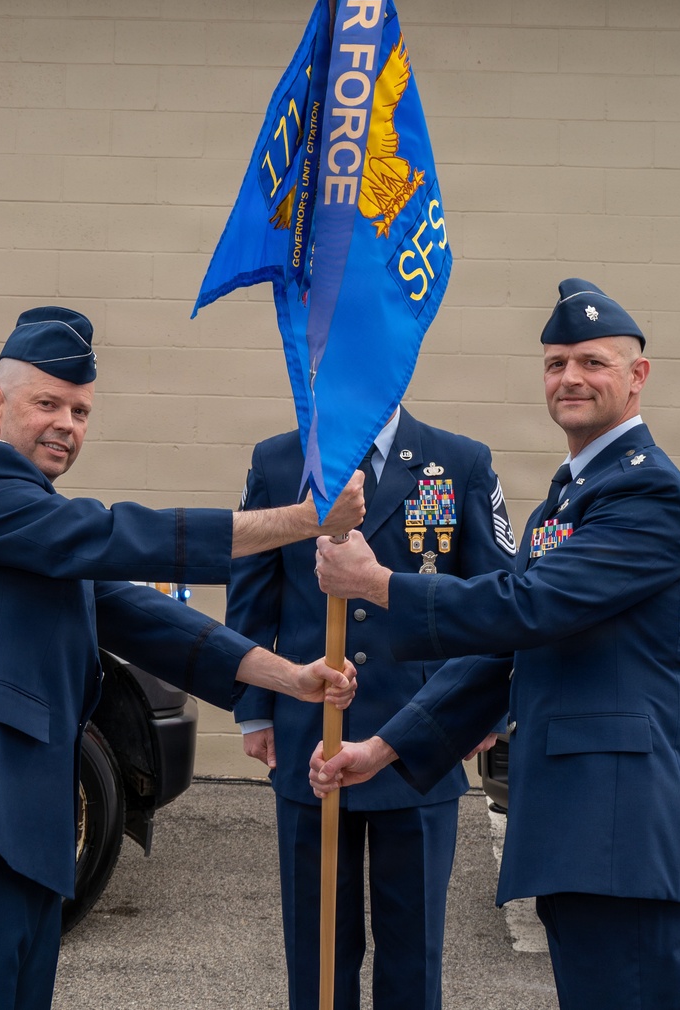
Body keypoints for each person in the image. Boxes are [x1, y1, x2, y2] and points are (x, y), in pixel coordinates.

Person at [0, 306, 364, 1010]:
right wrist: (307, 520)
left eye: (82, 410)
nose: (67, 423)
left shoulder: (37, 525)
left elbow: (143, 617)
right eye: (48, 404)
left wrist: (290, 678)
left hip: (20, 836)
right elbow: (119, 536)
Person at [312, 279, 680, 1010]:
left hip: (627, 833)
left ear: (638, 378)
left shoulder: (647, 495)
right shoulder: (567, 500)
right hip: (583, 831)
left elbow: (528, 606)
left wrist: (381, 585)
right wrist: (381, 749)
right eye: (555, 362)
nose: (570, 377)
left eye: (593, 362)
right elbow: (507, 651)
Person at [226, 407, 517, 1010]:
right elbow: (253, 590)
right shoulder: (279, 461)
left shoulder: (459, 461)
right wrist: (255, 710)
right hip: (310, 734)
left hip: (419, 738)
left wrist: (482, 713)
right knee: (316, 944)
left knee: (414, 946)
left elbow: (496, 597)